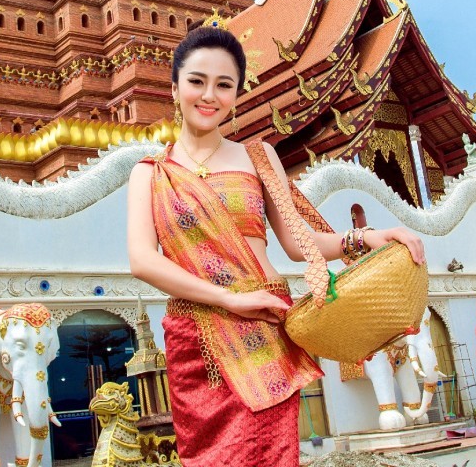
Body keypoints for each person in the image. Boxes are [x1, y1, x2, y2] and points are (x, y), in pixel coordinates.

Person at [126, 24, 425, 466]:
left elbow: (296, 242)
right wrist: (228, 298)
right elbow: (142, 260)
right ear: (174, 88)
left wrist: (367, 237)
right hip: (200, 343)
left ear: (235, 95)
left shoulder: (258, 157)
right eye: (197, 81)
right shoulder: (150, 173)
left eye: (224, 85)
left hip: (266, 331)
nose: (209, 95)